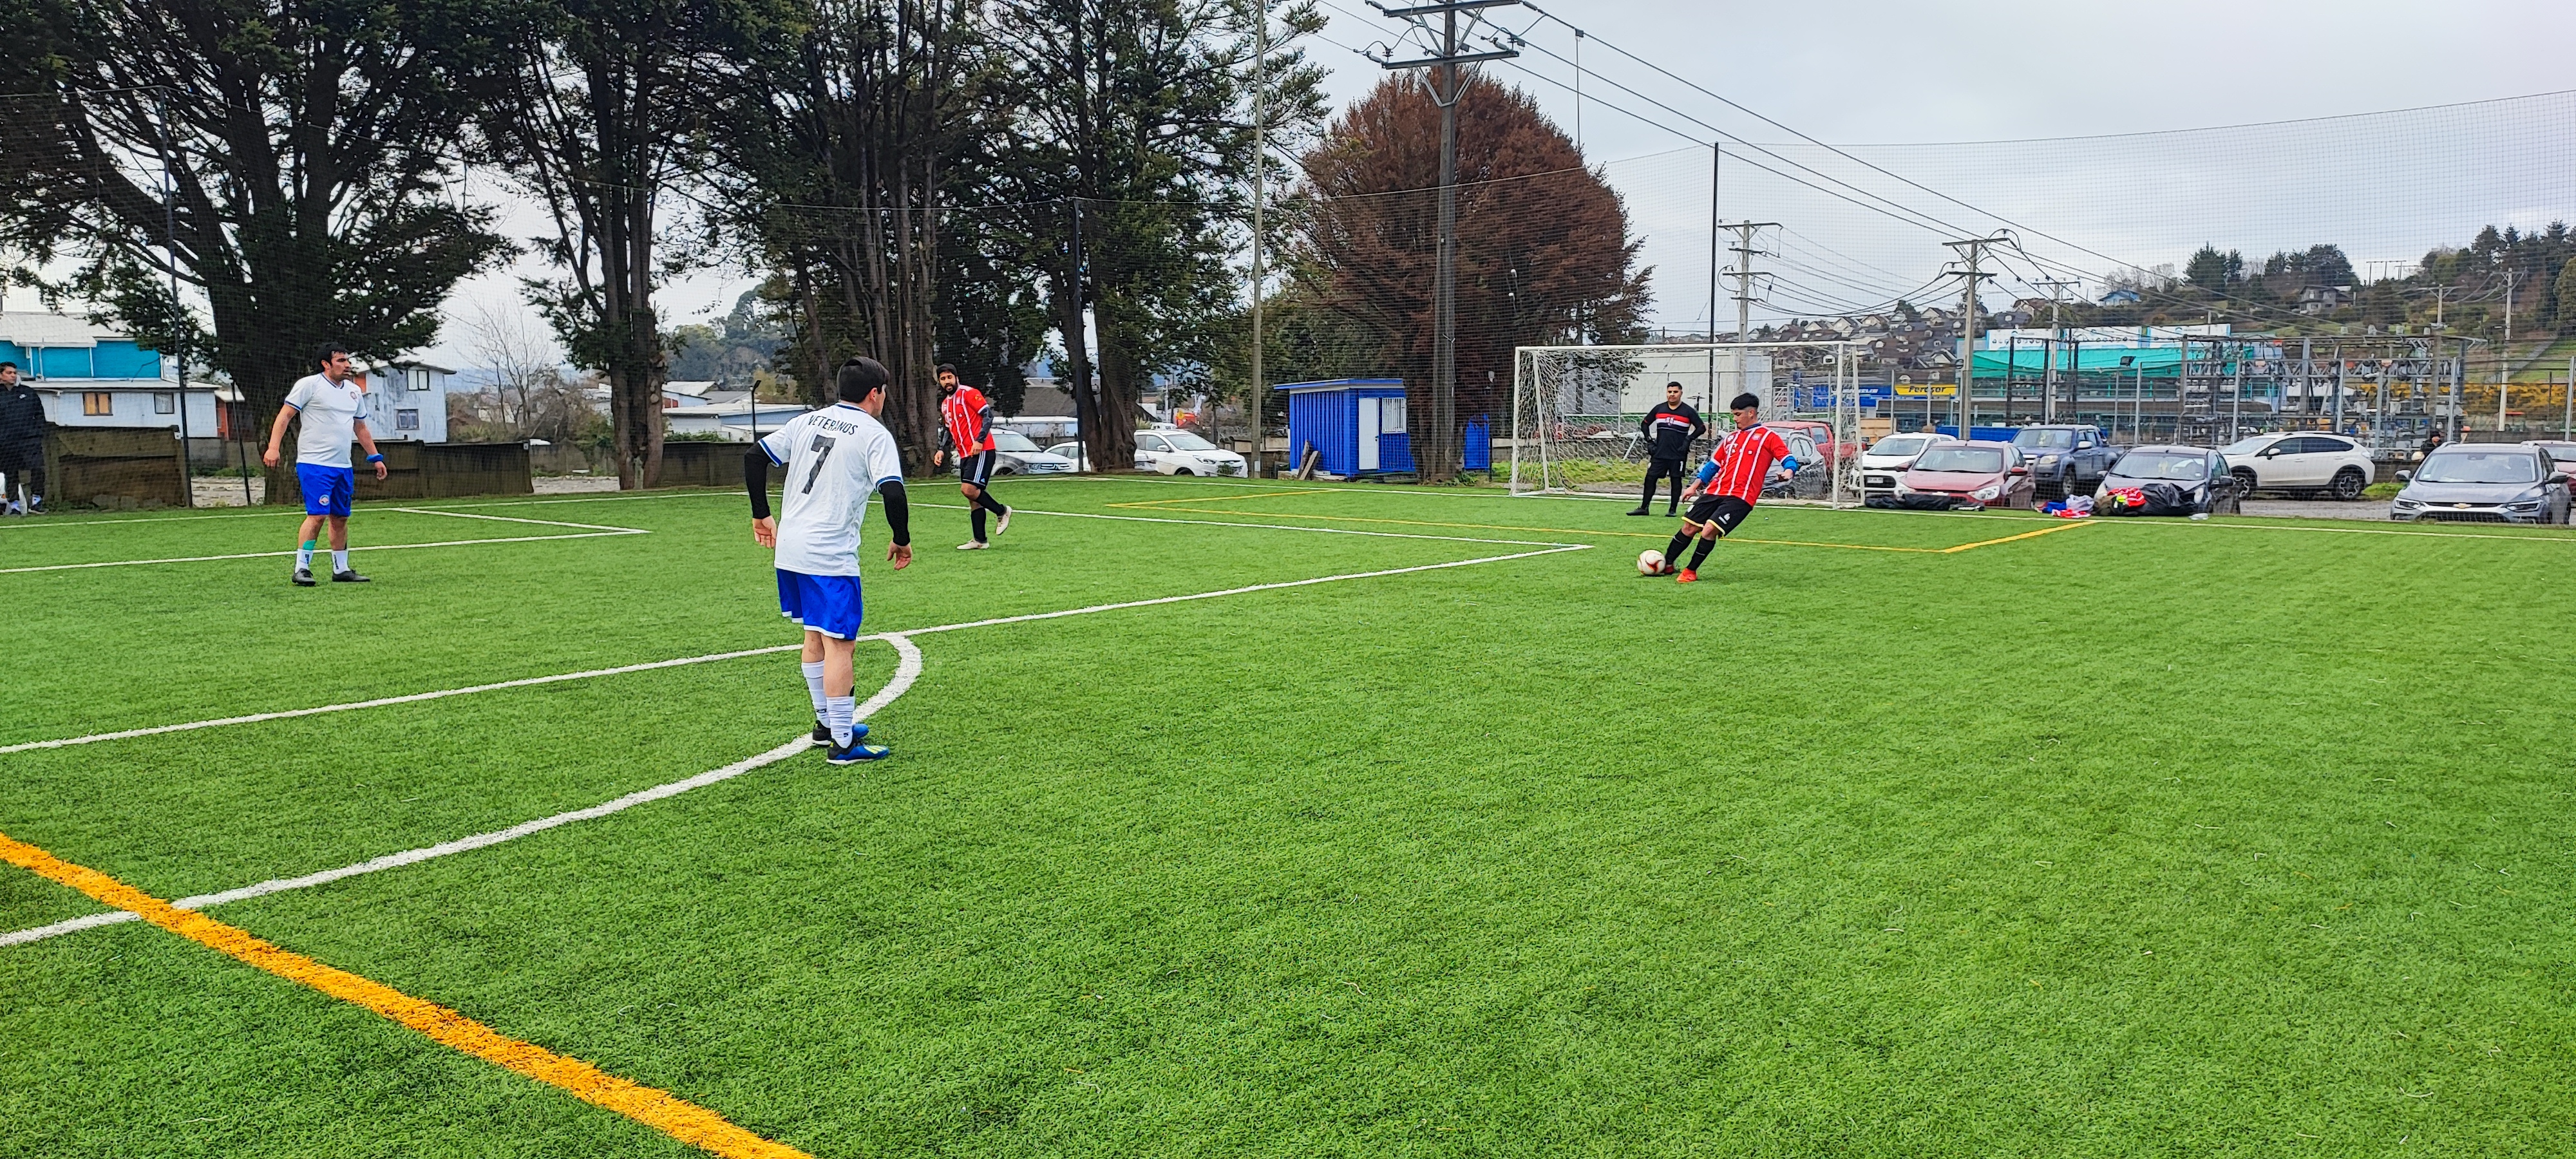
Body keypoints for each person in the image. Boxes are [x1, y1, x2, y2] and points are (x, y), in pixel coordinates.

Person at [744, 356, 913, 764]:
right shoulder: (874, 434)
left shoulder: (806, 422)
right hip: (829, 554)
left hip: (791, 548)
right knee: (841, 644)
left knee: (815, 636)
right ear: (874, 394)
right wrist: (902, 539)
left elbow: (754, 457)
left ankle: (826, 724)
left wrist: (761, 514)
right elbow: (893, 491)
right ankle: (843, 744)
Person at [263, 343, 388, 585]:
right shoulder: (309, 385)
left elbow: (360, 427)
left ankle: (341, 569)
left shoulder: (354, 391)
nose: (347, 365)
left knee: (340, 517)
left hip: (343, 466)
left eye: (348, 360)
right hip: (314, 464)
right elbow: (284, 416)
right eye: (341, 360)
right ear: (325, 364)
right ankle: (302, 569)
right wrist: (273, 447)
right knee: (318, 515)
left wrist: (375, 457)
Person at [1656, 392, 1797, 584]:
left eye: (1738, 414)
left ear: (1751, 413)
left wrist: (1788, 471)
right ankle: (1667, 564)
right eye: (1733, 415)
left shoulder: (1768, 437)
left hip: (1741, 497)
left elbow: (1788, 458)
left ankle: (1691, 571)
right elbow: (1713, 466)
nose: (1734, 419)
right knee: (1689, 527)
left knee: (1708, 530)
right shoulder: (1731, 439)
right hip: (1715, 491)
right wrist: (1694, 487)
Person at [929, 363, 1011, 550]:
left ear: (956, 378)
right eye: (943, 379)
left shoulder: (969, 393)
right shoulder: (945, 404)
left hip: (982, 450)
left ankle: (1002, 511)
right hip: (965, 453)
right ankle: (980, 541)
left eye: (950, 377)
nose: (947, 382)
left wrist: (979, 440)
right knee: (973, 498)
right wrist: (941, 449)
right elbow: (948, 429)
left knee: (968, 489)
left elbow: (988, 416)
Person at [1629, 381, 1705, 516]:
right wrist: (1649, 441)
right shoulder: (1659, 409)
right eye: (1670, 392)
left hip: (1678, 453)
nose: (1672, 394)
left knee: (1676, 480)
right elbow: (1645, 424)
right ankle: (1644, 508)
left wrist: (1688, 439)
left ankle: (1672, 510)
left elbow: (1701, 428)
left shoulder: (1688, 411)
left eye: (1675, 392)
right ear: (1667, 393)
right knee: (1650, 478)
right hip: (1659, 452)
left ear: (1681, 393)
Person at [0, 362, 48, 514]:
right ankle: (14, 506)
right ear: (1, 375)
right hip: (6, 443)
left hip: (30, 440)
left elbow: (39, 414)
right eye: (9, 373)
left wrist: (38, 432)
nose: (13, 375)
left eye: (15, 373)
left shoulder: (28, 393)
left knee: (38, 468)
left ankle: (36, 502)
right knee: (11, 474)